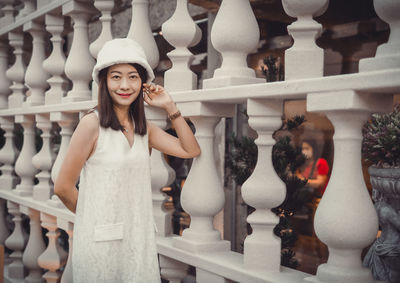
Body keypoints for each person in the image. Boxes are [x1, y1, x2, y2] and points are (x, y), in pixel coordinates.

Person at [54, 38, 201, 282]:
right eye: (116, 76)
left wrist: (169, 106)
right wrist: (95, 218)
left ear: (143, 82)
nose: (125, 85)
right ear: (103, 80)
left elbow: (190, 150)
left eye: (133, 76)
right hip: (99, 245)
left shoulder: (145, 129)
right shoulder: (91, 124)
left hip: (138, 240)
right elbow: (63, 187)